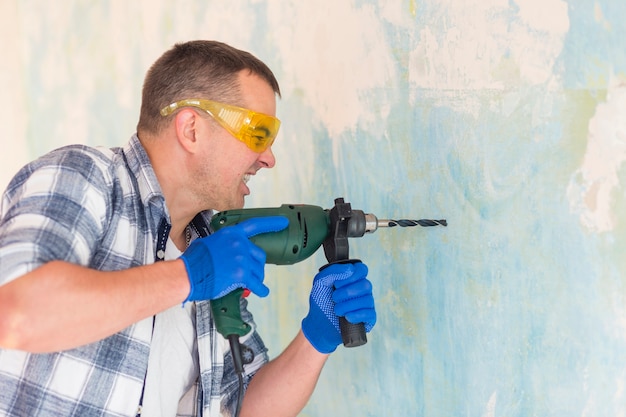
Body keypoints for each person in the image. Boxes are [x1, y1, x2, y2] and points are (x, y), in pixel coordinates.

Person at [0, 40, 376, 417]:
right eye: (258, 134)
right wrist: (189, 276)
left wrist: (316, 337)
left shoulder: (212, 241)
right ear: (192, 129)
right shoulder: (86, 176)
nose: (268, 158)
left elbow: (243, 408)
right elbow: (16, 313)